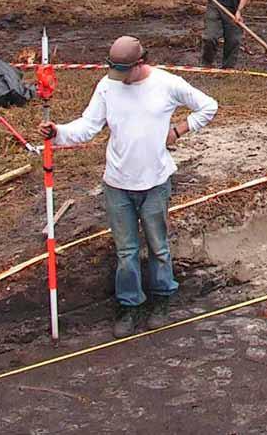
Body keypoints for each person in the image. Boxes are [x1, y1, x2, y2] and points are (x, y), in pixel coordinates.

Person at [39, 36, 218, 338]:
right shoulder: (108, 86)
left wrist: (179, 129)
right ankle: (129, 304)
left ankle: (162, 298)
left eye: (124, 71)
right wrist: (58, 132)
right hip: (117, 184)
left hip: (155, 183)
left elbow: (208, 106)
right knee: (126, 251)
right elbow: (88, 126)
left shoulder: (166, 84)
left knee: (158, 248)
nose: (119, 78)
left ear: (139, 63)